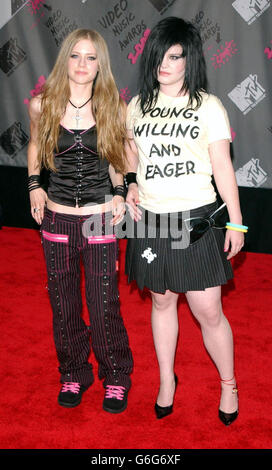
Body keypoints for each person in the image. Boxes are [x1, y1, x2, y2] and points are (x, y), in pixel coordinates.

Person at [125, 17, 246, 424]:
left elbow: (223, 168)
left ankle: (229, 384)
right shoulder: (136, 106)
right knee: (161, 301)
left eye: (175, 56)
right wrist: (129, 184)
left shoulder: (208, 105)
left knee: (208, 309)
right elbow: (129, 154)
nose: (165, 63)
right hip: (152, 222)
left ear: (188, 59)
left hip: (196, 220)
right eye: (160, 54)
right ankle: (165, 380)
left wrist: (237, 222)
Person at [27, 28, 133, 413]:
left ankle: (117, 376)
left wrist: (120, 192)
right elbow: (37, 144)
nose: (83, 64)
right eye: (75, 56)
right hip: (56, 219)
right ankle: (74, 371)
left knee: (104, 303)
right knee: (64, 303)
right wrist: (34, 185)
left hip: (99, 220)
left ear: (100, 63)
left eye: (91, 57)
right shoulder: (43, 104)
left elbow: (119, 154)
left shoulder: (113, 107)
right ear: (65, 60)